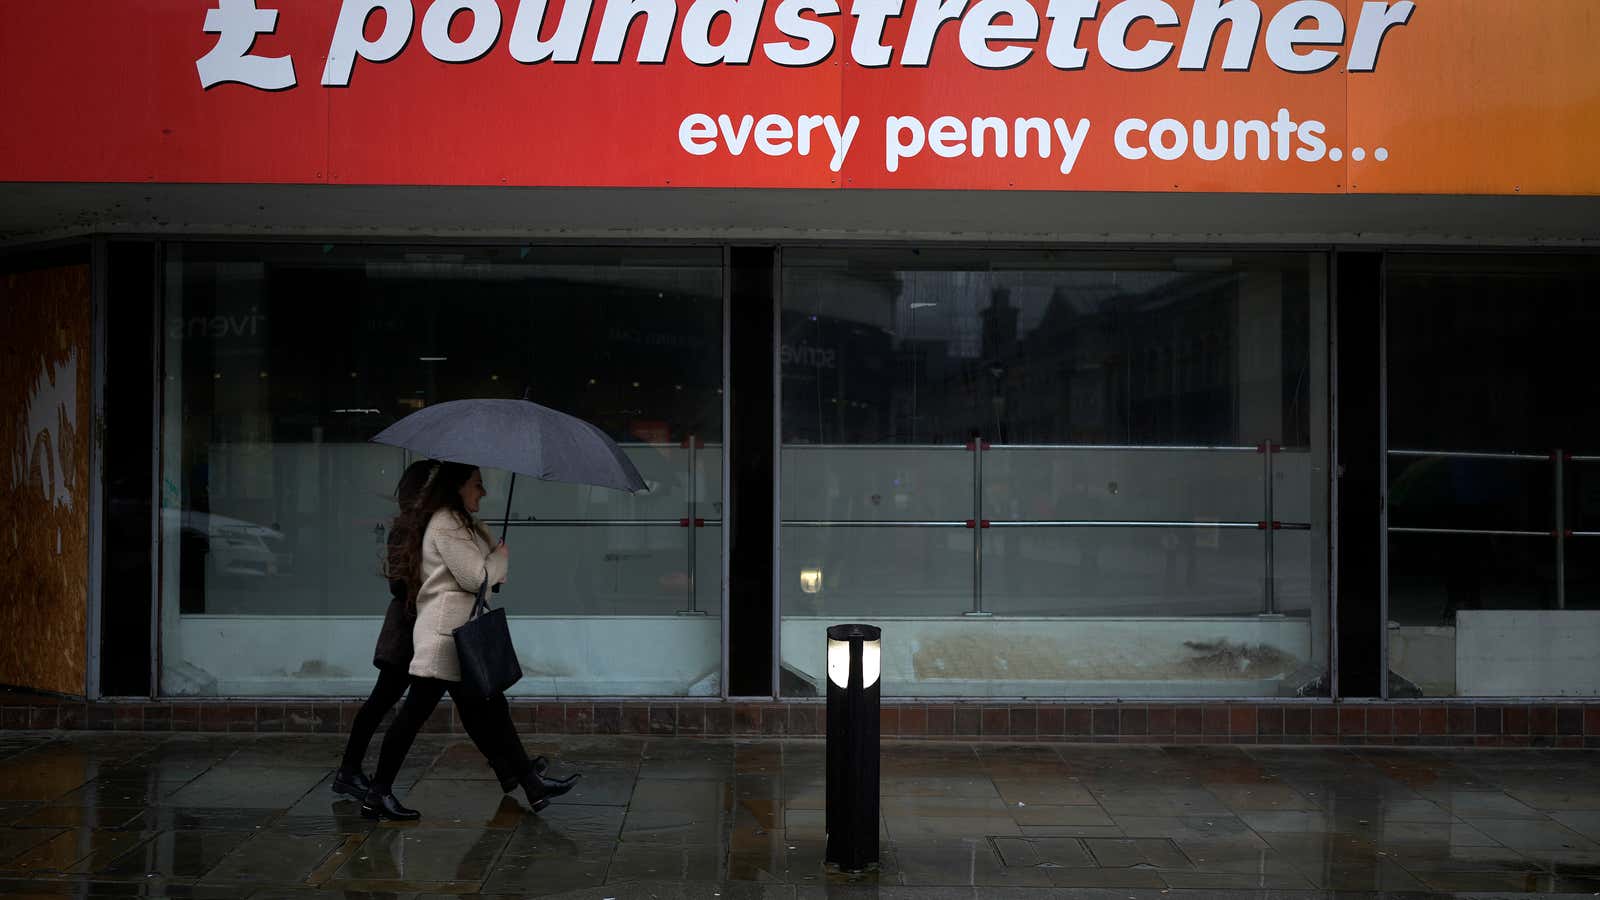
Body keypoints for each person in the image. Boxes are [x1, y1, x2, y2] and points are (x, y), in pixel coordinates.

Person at [361, 461, 578, 821]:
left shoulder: (462, 523)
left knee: (493, 709)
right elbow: (476, 577)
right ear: (458, 486)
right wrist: (499, 559)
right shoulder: (447, 523)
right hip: (445, 637)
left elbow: (489, 578)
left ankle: (532, 785)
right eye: (477, 484)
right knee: (413, 716)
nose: (484, 491)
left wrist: (493, 553)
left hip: (462, 636)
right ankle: (377, 793)